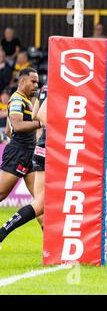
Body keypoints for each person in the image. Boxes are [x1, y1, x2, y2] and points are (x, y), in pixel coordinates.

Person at [0, 68, 41, 244]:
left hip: (28, 155)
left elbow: (9, 129)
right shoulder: (17, 99)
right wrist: (40, 123)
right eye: (33, 82)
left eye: (37, 82)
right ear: (22, 81)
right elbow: (16, 126)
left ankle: (51, 247)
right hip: (18, 154)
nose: (36, 85)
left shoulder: (26, 100)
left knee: (40, 201)